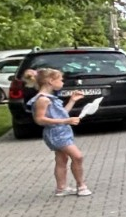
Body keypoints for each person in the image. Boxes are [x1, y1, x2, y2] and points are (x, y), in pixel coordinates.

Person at [31, 68, 90, 196]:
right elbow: (39, 119)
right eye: (60, 80)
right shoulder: (43, 99)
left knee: (62, 159)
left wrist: (72, 101)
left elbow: (60, 114)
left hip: (61, 131)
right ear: (50, 81)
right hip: (56, 133)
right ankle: (81, 186)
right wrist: (66, 121)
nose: (62, 82)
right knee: (78, 156)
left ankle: (61, 188)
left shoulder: (50, 98)